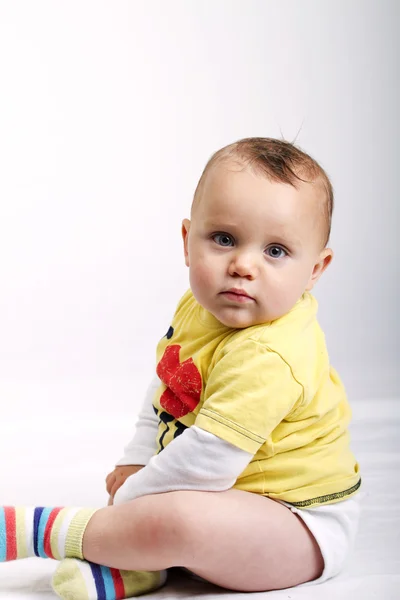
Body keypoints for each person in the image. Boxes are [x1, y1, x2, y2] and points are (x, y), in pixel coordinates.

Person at [0, 138, 361, 600]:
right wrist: (137, 458)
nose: (243, 266)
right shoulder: (199, 307)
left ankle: (43, 531)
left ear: (315, 268)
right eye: (224, 239)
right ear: (188, 242)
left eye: (275, 251)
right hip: (223, 495)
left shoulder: (272, 355)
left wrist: (134, 502)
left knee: (179, 520)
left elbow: (209, 461)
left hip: (297, 522)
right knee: (163, 511)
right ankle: (140, 566)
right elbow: (168, 385)